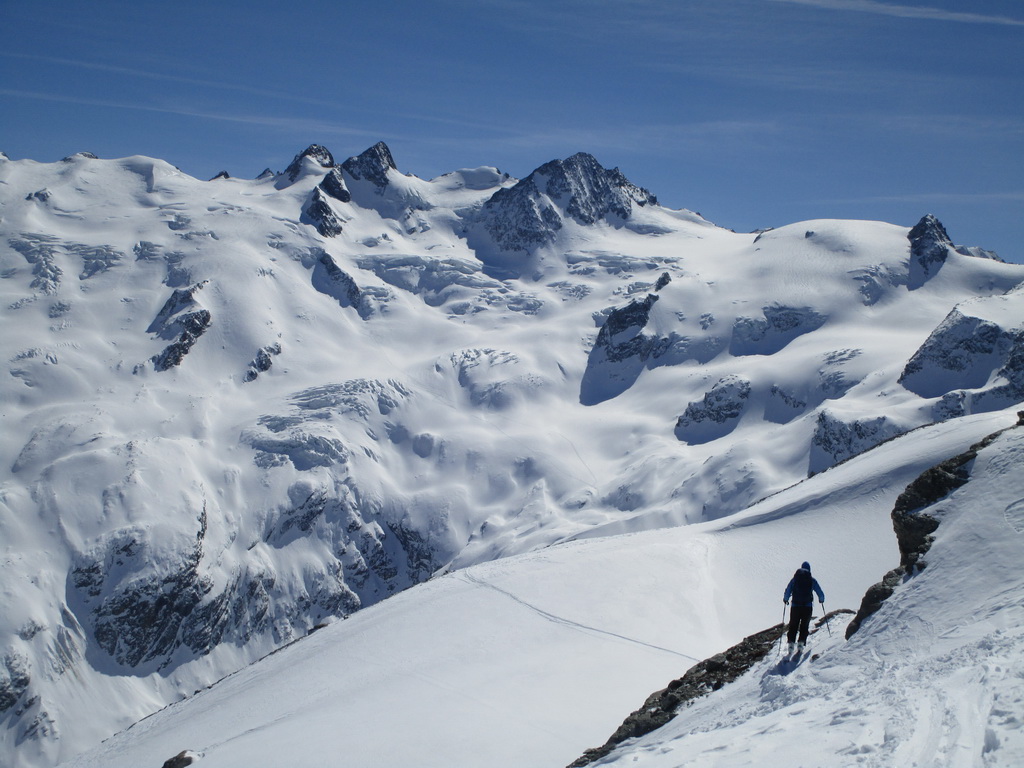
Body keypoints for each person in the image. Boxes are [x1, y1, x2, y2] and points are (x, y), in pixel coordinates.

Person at [783, 561, 825, 657]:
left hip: (795, 606)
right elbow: (819, 591)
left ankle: (791, 644)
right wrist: (821, 599)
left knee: (793, 625)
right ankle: (801, 644)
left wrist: (785, 599)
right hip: (807, 606)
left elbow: (788, 589)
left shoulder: (795, 579)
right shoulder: (811, 580)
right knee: (804, 625)